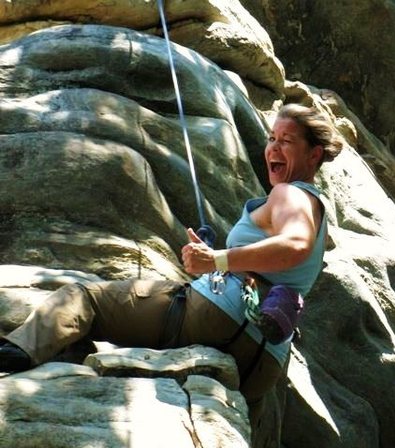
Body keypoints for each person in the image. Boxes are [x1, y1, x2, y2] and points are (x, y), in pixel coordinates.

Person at [0, 103, 343, 429]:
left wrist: (217, 260)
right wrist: (216, 259)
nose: (273, 148)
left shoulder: (290, 195)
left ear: (314, 155)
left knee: (83, 299)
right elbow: (282, 261)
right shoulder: (317, 211)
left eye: (286, 141)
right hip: (264, 361)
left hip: (217, 317)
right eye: (271, 139)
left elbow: (294, 245)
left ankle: (14, 353)